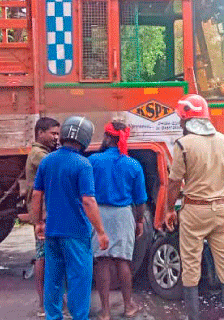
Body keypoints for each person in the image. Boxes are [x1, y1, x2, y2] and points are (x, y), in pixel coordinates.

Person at [165, 94, 224, 320]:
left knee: (191, 265)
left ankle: (193, 317)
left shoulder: (184, 145)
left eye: (181, 118)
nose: (179, 123)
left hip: (195, 210)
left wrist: (169, 209)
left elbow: (175, 182)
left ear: (188, 120)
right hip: (222, 210)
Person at [30, 116, 109, 320]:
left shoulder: (47, 161)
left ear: (64, 134)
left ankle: (53, 316)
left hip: (52, 231)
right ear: (85, 138)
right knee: (79, 280)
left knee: (53, 279)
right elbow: (89, 201)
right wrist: (100, 232)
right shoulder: (83, 165)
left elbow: (36, 195)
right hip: (76, 232)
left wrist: (38, 223)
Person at [88, 120, 147, 320]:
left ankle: (105, 312)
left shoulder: (93, 161)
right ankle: (128, 306)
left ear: (106, 137)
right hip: (123, 215)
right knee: (123, 261)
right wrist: (139, 221)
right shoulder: (133, 164)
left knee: (102, 261)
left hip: (99, 214)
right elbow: (140, 200)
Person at [25, 117, 61, 317]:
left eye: (58, 134)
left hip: (45, 213)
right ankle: (44, 304)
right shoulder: (39, 155)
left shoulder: (43, 153)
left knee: (47, 256)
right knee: (43, 257)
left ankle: (49, 302)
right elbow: (57, 166)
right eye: (53, 133)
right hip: (43, 215)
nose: (56, 137)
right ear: (40, 133)